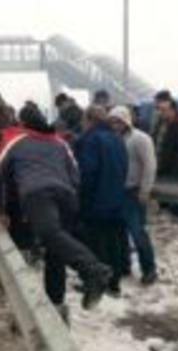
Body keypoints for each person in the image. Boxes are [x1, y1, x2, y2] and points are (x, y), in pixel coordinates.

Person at [0, 103, 113, 311]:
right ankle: (56, 301)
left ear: (22, 123)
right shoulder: (59, 142)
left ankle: (93, 270)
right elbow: (75, 174)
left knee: (48, 233)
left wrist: (0, 210)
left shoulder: (14, 139)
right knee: (56, 248)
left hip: (36, 193)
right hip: (67, 196)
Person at [75, 105, 129, 295]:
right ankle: (114, 284)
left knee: (95, 244)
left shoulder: (90, 140)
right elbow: (124, 169)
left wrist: (81, 200)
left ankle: (95, 283)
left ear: (89, 120)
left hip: (96, 202)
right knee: (113, 243)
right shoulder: (117, 138)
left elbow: (87, 173)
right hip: (117, 200)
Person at [108, 106, 159, 285]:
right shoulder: (113, 139)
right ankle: (124, 264)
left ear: (126, 121)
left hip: (134, 192)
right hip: (117, 191)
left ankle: (149, 268)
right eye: (112, 121)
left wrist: (145, 190)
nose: (115, 125)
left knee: (138, 232)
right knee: (119, 231)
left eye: (118, 121)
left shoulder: (140, 138)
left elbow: (150, 166)